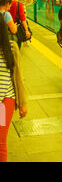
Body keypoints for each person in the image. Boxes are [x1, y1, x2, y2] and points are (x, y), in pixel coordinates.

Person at [0, 13, 27, 162]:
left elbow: (18, 78)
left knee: (0, 142)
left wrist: (22, 103)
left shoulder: (11, 48)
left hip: (4, 102)